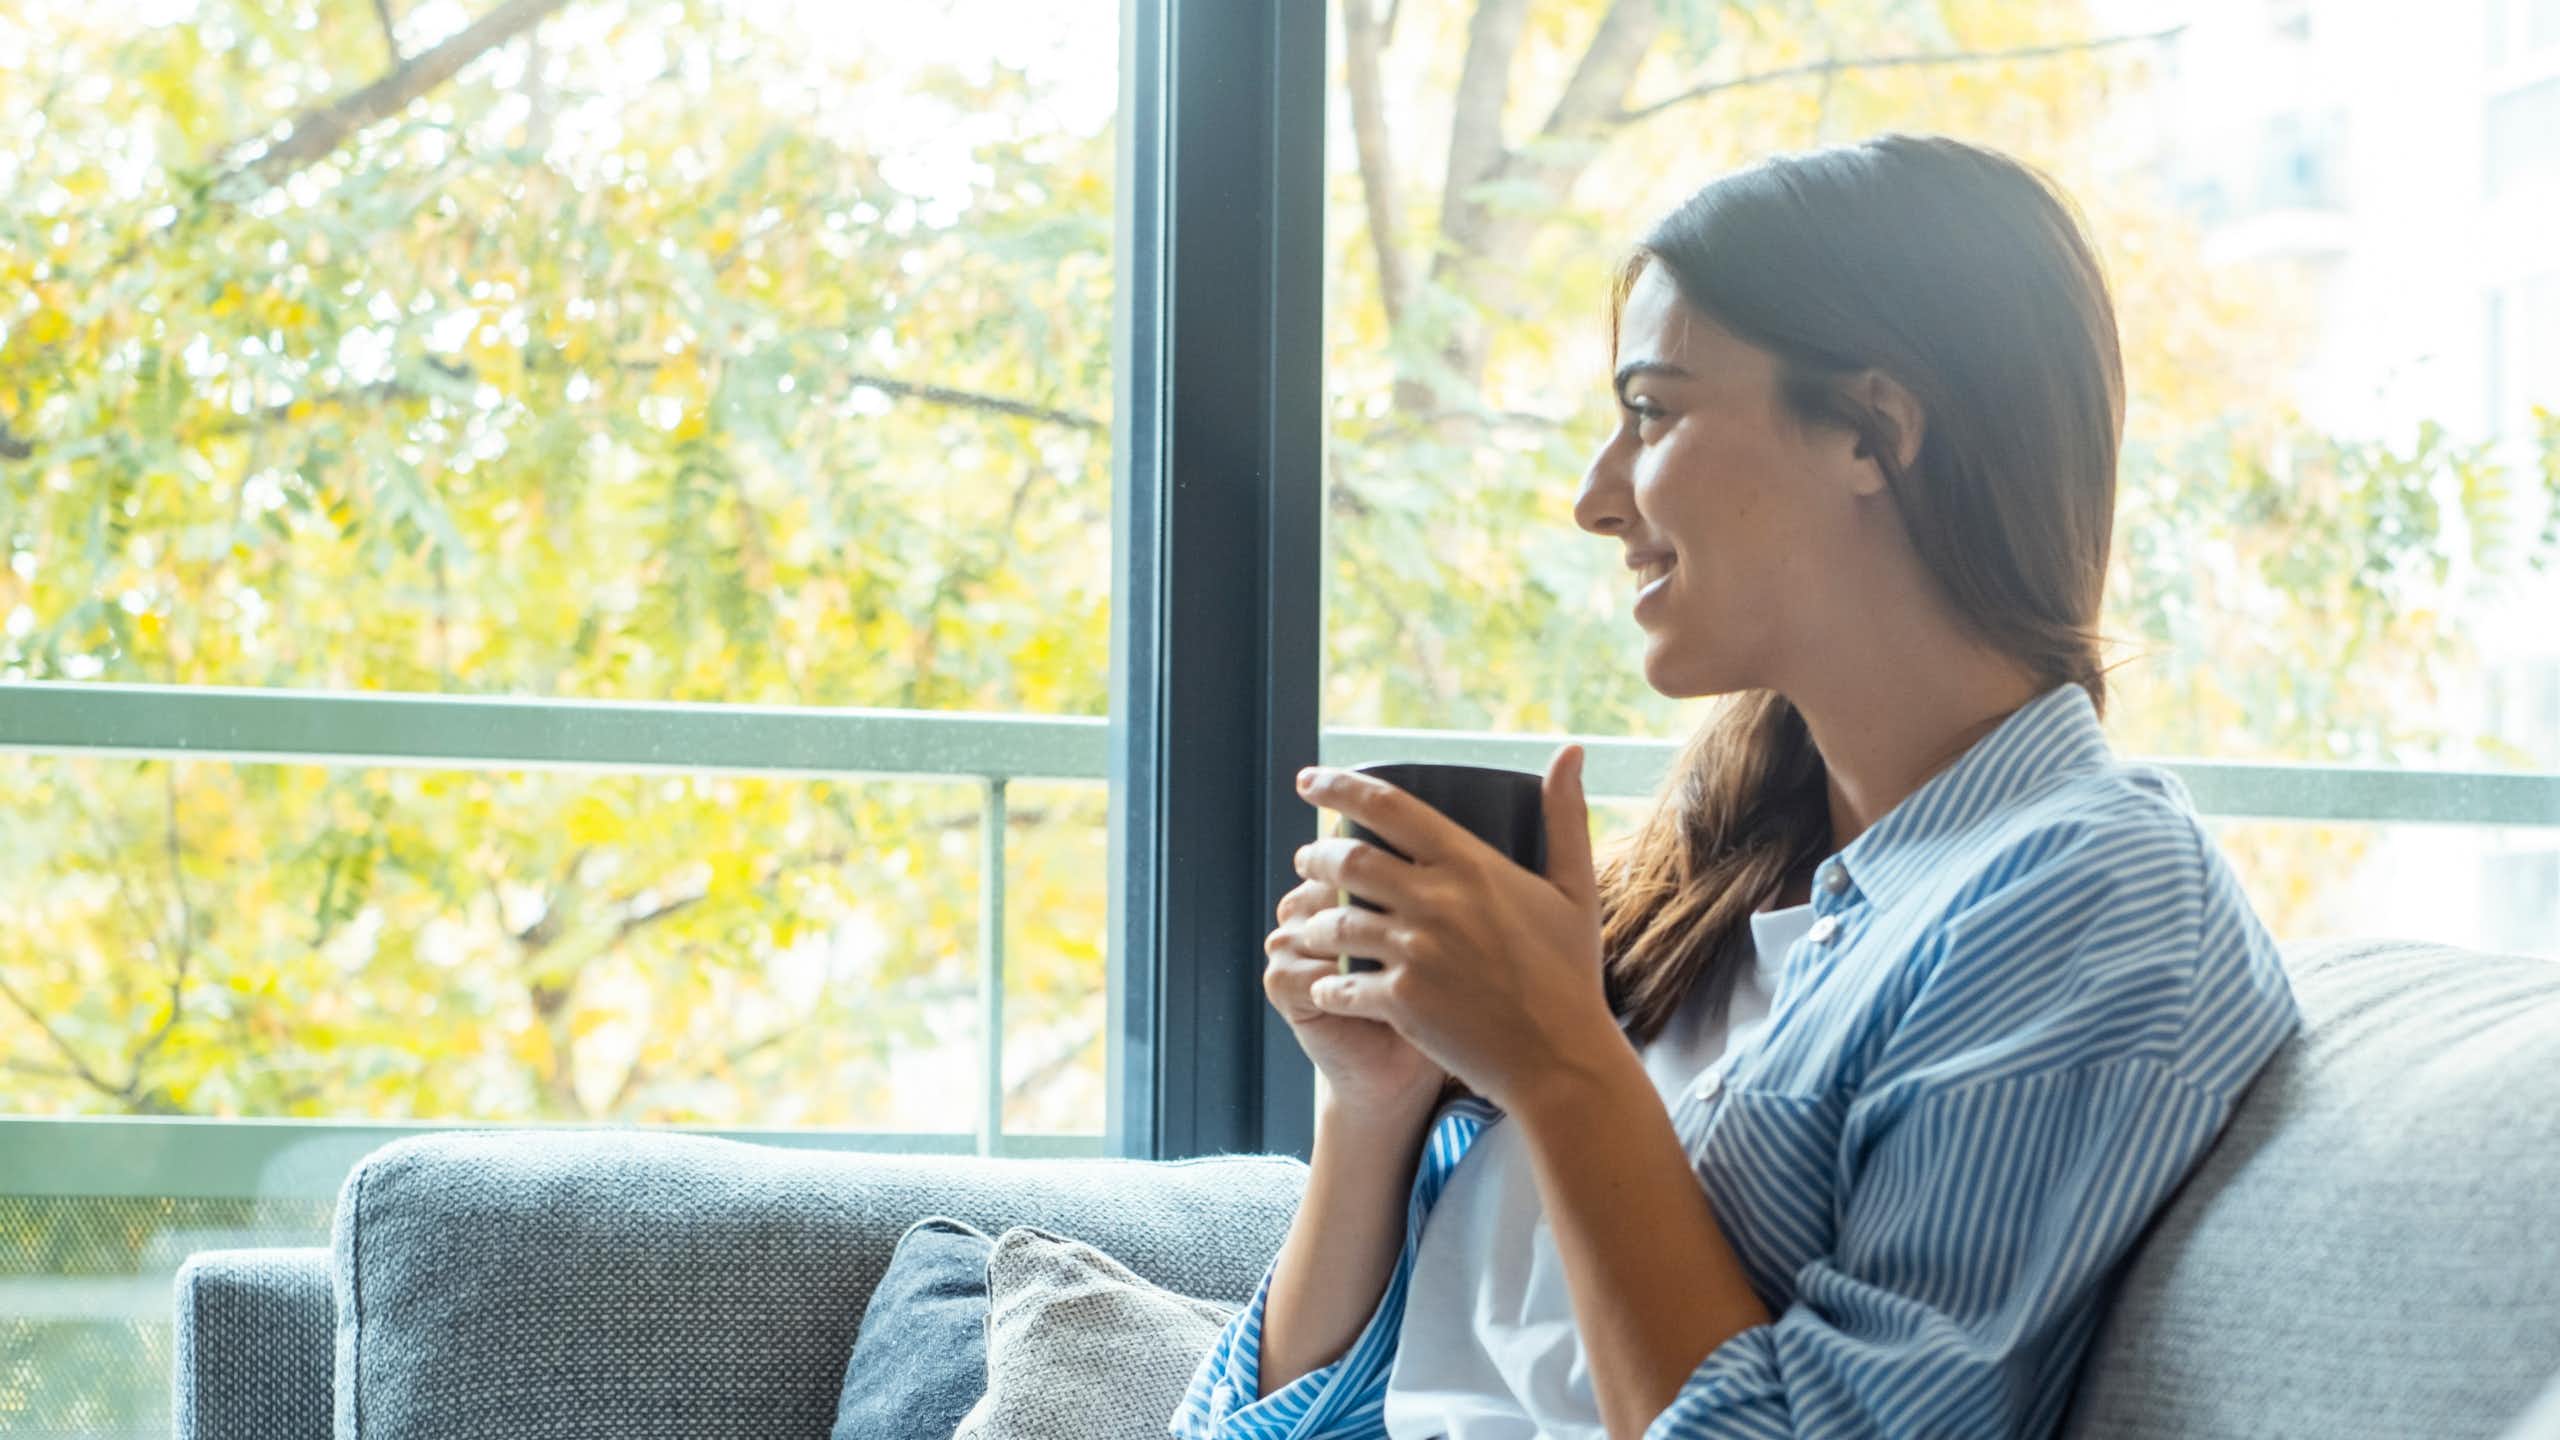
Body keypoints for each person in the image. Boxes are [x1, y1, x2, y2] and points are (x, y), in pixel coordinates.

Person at [1169, 134, 2304, 1440]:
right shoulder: (1714, 891)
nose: (1598, 498)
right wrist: (1375, 1111)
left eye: (1651, 412)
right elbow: (1262, 1424)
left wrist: (1561, 1061)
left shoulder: (2092, 896)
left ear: (1874, 433)